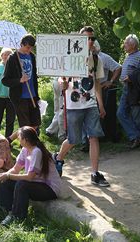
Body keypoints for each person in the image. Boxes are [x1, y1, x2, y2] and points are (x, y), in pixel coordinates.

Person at [52, 33, 110, 186]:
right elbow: (60, 79)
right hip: (74, 106)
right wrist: (62, 84)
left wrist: (101, 105)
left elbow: (97, 84)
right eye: (86, 38)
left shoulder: (96, 59)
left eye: (92, 38)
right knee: (73, 139)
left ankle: (95, 173)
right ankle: (58, 157)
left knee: (94, 137)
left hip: (90, 105)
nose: (90, 41)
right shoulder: (68, 57)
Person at [0, 126, 62, 225]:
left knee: (22, 184)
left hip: (50, 189)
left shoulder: (37, 152)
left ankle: (17, 217)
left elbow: (29, 177)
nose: (18, 139)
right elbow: (15, 169)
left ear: (26, 140)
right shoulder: (25, 150)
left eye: (20, 138)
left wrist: (9, 176)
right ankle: (9, 211)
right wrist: (6, 174)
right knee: (6, 181)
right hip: (36, 184)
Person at [2, 34, 40, 142]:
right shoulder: (13, 58)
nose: (29, 50)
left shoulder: (32, 56)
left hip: (32, 95)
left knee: (35, 123)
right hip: (20, 97)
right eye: (27, 47)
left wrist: (37, 95)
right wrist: (19, 80)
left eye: (31, 47)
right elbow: (5, 80)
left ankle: (8, 140)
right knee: (26, 126)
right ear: (21, 45)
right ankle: (26, 148)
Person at [116, 34, 140, 149]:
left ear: (133, 45)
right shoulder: (128, 56)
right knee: (121, 113)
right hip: (126, 88)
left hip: (136, 90)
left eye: (126, 43)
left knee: (137, 115)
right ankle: (136, 136)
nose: (124, 45)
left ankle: (137, 139)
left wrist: (132, 77)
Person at [96, 41, 122, 142]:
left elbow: (118, 67)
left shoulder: (103, 57)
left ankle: (108, 135)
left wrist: (110, 81)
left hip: (102, 88)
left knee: (106, 112)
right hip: (89, 89)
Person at [45, 76, 66, 141]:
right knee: (62, 110)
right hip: (63, 80)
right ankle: (61, 135)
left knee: (58, 110)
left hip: (56, 80)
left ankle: (51, 130)